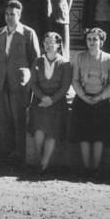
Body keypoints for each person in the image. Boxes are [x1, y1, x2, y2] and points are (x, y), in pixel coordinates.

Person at [0, 0, 40, 165]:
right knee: (4, 118)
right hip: (2, 81)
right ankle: (6, 152)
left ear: (19, 15)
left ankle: (21, 154)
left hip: (20, 82)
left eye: (12, 14)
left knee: (19, 119)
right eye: (6, 14)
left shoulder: (28, 33)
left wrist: (30, 80)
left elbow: (35, 60)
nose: (9, 17)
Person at [70, 27, 110, 177]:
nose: (92, 42)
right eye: (89, 39)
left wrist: (100, 97)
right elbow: (75, 80)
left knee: (99, 136)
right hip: (82, 100)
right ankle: (86, 168)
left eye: (95, 39)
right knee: (84, 135)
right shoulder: (79, 57)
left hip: (101, 101)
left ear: (101, 41)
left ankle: (95, 169)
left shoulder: (109, 59)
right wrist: (84, 96)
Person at [28, 32, 72, 174]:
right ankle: (38, 158)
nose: (48, 45)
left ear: (58, 45)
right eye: (46, 42)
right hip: (40, 102)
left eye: (51, 42)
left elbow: (65, 86)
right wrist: (43, 98)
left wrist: (52, 100)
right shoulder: (37, 61)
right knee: (39, 130)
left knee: (52, 132)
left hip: (57, 103)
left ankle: (44, 163)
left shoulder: (65, 64)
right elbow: (33, 83)